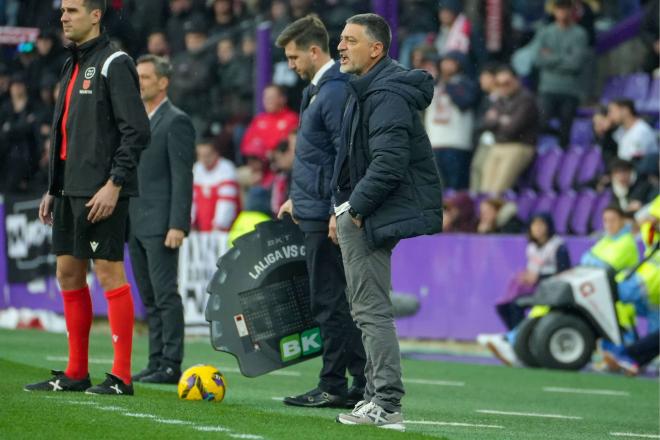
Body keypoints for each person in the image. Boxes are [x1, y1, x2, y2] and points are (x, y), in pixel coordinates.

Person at [25, 0, 150, 395]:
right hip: (68, 190)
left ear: (96, 15)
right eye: (63, 11)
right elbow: (64, 133)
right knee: (67, 274)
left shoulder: (116, 62)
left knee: (109, 274)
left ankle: (121, 377)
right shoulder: (70, 63)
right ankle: (76, 371)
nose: (63, 17)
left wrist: (114, 184)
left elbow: (137, 132)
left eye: (73, 10)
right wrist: (52, 187)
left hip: (101, 192)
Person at [332, 13, 443, 430]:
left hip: (371, 213)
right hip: (363, 210)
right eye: (340, 39)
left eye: (349, 40)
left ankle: (387, 404)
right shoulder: (370, 88)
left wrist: (354, 208)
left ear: (376, 49)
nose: (340, 47)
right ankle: (373, 396)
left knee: (371, 310)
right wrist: (341, 205)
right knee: (367, 308)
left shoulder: (385, 94)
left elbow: (389, 163)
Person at [275, 14, 367, 409]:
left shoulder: (332, 92)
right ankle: (359, 384)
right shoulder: (318, 90)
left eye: (295, 57)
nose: (290, 65)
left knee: (330, 301)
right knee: (334, 301)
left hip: (327, 214)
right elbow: (318, 156)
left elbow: (343, 156)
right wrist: (299, 197)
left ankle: (334, 384)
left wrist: (335, 210)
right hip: (313, 207)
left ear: (315, 51)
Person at [128, 55, 195, 384]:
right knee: (149, 297)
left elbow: (182, 176)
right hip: (137, 223)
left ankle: (171, 363)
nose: (139, 82)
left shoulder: (176, 121)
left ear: (163, 82)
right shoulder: (137, 118)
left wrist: (178, 224)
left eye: (145, 77)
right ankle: (155, 360)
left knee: (166, 294)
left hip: (161, 224)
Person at [495, 214, 571, 330]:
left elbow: (564, 273)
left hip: (550, 289)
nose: (537, 228)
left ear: (548, 226)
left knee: (517, 304)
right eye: (534, 225)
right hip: (533, 286)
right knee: (502, 306)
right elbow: (532, 269)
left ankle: (519, 335)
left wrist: (539, 277)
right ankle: (514, 334)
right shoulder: (531, 246)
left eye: (541, 225)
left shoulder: (558, 246)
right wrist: (525, 275)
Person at [534, 0, 588, 149]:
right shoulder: (545, 32)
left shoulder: (580, 34)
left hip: (570, 89)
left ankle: (562, 157)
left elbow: (575, 64)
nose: (562, 13)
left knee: (566, 129)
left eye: (565, 9)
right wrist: (564, 57)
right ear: (554, 11)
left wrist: (552, 57)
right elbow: (538, 60)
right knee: (541, 123)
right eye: (559, 9)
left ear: (571, 10)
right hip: (548, 88)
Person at [478, 65, 539, 194]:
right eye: (499, 84)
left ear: (517, 80)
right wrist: (502, 120)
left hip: (519, 146)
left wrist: (497, 120)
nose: (503, 87)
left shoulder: (526, 99)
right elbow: (486, 123)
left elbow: (513, 128)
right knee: (484, 191)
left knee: (497, 190)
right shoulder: (500, 99)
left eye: (507, 83)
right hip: (498, 145)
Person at [424, 50, 478, 190]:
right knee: (438, 189)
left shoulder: (466, 84)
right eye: (444, 61)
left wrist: (447, 85)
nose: (445, 65)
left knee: (456, 188)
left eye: (450, 62)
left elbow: (464, 102)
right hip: (434, 143)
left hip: (456, 142)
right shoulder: (433, 84)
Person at [240, 84, 299, 162]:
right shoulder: (259, 119)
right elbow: (245, 146)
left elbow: (289, 146)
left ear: (282, 99)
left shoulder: (292, 119)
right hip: (257, 165)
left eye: (271, 97)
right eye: (265, 97)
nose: (267, 101)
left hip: (280, 165)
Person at [191, 141, 240, 232]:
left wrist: (219, 227)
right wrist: (191, 224)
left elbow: (227, 204)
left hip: (224, 231)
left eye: (208, 155)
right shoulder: (196, 169)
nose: (204, 159)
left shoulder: (226, 168)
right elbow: (191, 201)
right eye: (201, 156)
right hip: (200, 231)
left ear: (216, 153)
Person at [607, 99, 659, 175]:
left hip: (642, 177)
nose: (609, 116)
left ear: (625, 110)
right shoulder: (620, 131)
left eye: (612, 111)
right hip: (624, 173)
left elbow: (635, 163)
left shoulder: (641, 131)